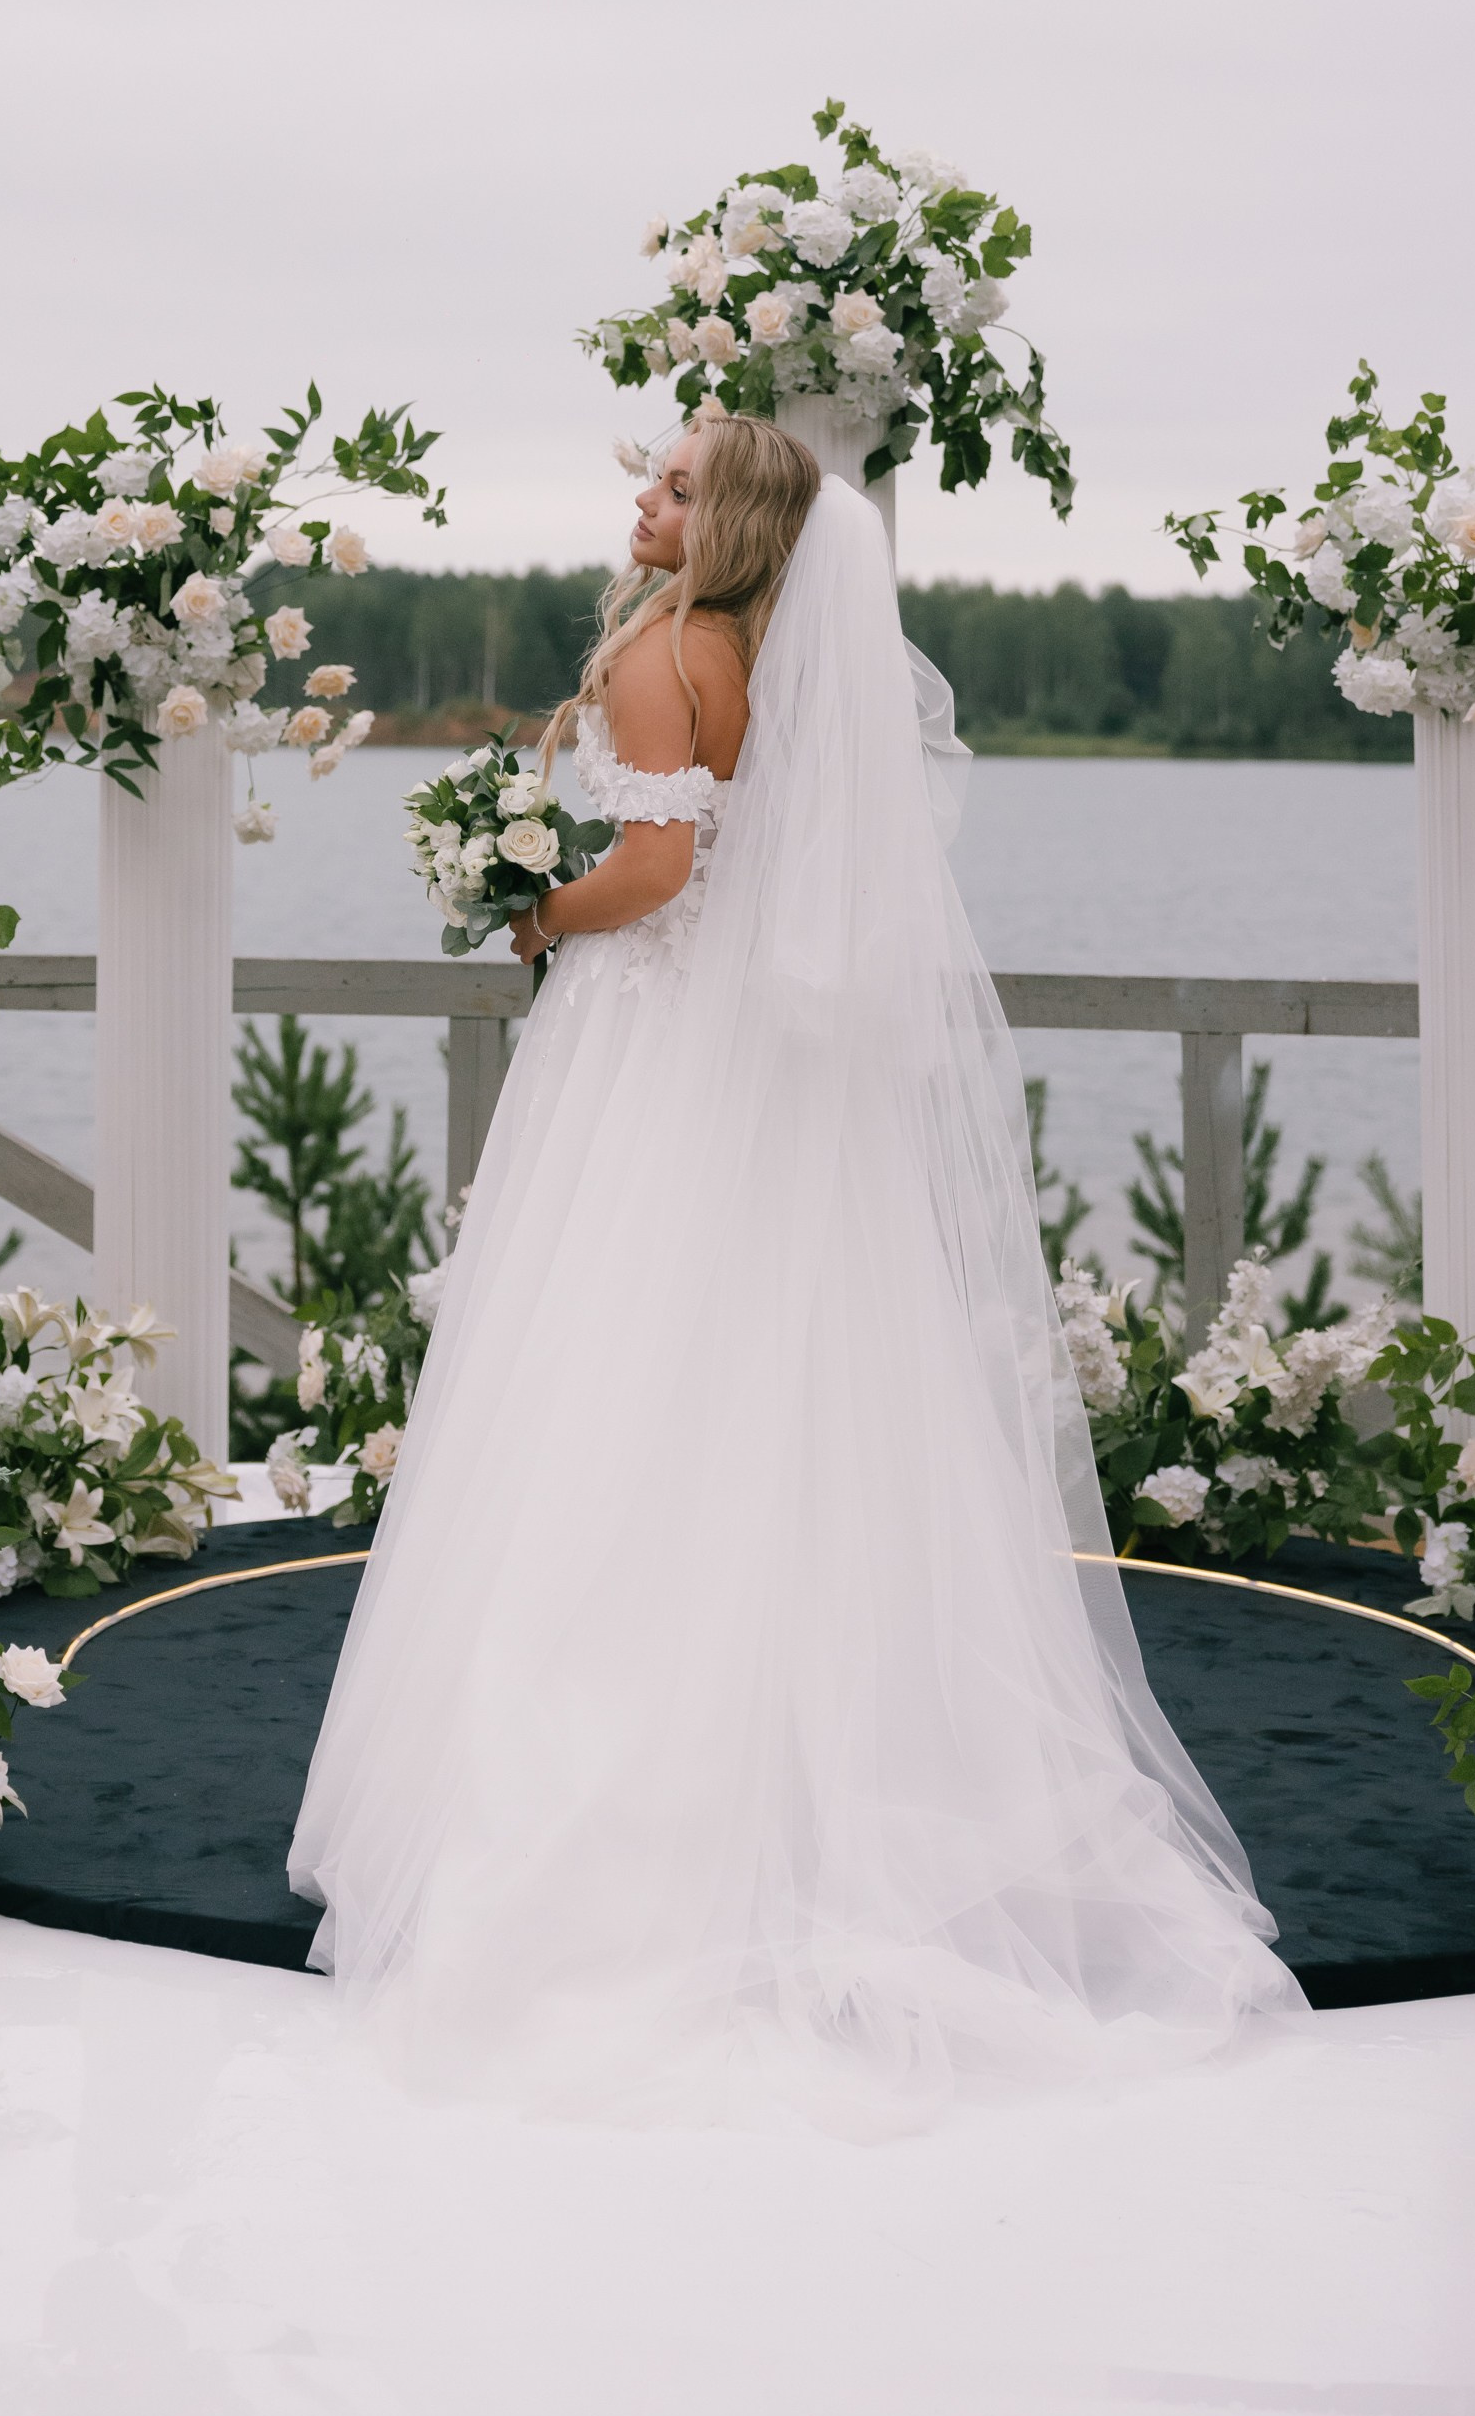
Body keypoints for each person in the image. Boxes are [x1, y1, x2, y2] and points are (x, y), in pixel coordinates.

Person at [289, 417, 1304, 2130]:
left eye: (672, 487)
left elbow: (659, 869)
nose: (640, 500)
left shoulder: (653, 657)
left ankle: (616, 1799)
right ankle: (830, 1769)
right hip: (756, 1076)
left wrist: (527, 906)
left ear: (736, 520)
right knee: (786, 1386)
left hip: (650, 1060)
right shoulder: (769, 665)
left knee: (617, 1381)